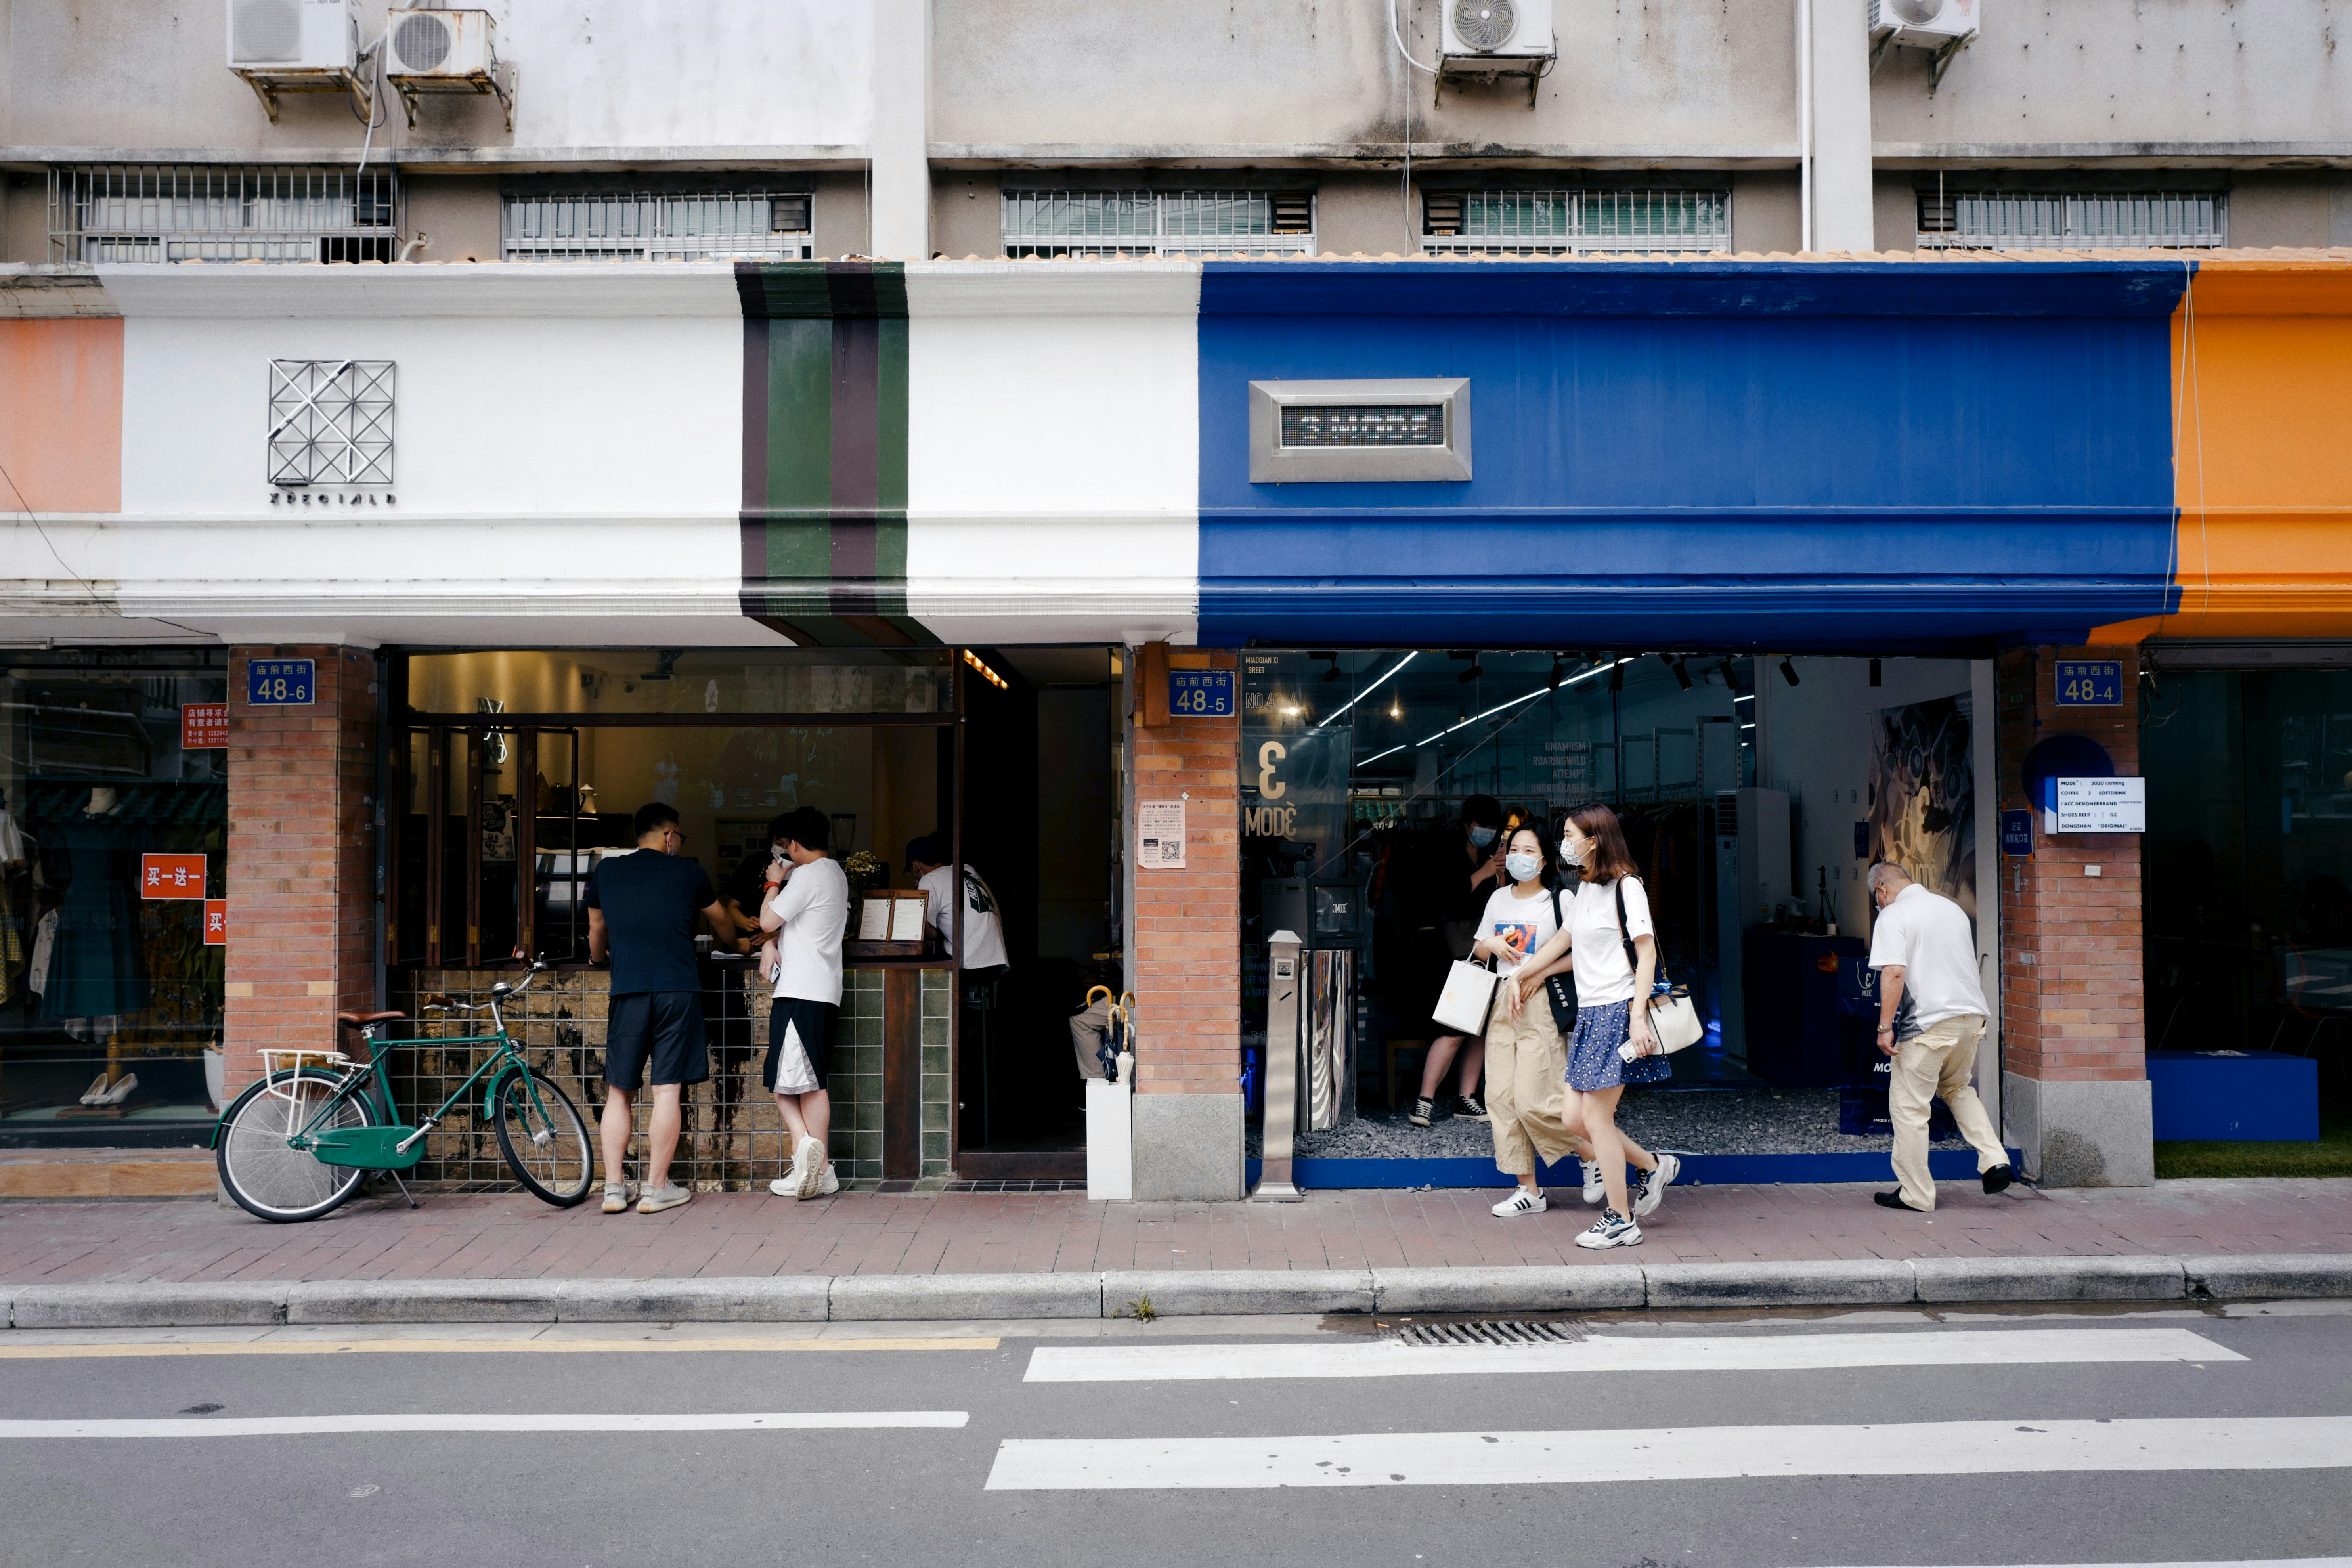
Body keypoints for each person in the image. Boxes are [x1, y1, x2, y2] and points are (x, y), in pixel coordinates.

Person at [1507, 802, 1679, 1248]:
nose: (1565, 843)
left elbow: (1646, 954)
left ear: (1594, 840)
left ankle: (1621, 1218)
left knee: (1598, 1118)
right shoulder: (1586, 887)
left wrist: (1638, 1014)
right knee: (1573, 1118)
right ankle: (1653, 1165)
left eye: (1570, 834)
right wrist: (1523, 972)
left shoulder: (1629, 887)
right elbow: (1565, 939)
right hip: (1590, 1013)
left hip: (1618, 1010)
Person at [585, 802, 737, 1215]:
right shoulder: (688, 872)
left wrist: (599, 960)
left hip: (628, 989)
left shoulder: (607, 871)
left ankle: (614, 1188)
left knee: (620, 1089)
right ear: (670, 836)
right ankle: (655, 1189)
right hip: (677, 990)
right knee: (667, 1089)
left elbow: (596, 930)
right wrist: (735, 944)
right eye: (680, 837)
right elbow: (722, 920)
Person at [1864, 861, 2013, 1212]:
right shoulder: (1952, 909)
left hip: (1929, 1024)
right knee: (1957, 1089)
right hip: (1971, 1017)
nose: (1879, 905)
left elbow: (1895, 972)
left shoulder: (1893, 916)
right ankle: (1995, 1160)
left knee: (1910, 1108)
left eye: (1877, 899)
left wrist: (1885, 1027)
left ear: (1882, 890)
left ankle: (1916, 1195)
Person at [1469, 824, 1598, 1218]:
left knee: (1535, 1099)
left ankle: (1592, 1153)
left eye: (1529, 849)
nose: (1518, 856)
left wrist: (1538, 974)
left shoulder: (1561, 900)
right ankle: (1529, 1190)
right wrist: (1488, 944)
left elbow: (1583, 953)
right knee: (1500, 1098)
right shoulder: (1497, 899)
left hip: (1539, 1002)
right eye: (1513, 848)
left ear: (1544, 859)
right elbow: (1477, 950)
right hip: (1502, 1001)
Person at [759, 806, 849, 1200]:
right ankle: (817, 1170)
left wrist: (773, 883)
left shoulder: (806, 875)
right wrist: (773, 944)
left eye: (785, 844)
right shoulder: (834, 872)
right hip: (825, 988)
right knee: (813, 1082)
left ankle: (807, 1153)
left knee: (783, 1082)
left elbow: (767, 920)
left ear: (794, 843)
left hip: (799, 990)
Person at [1405, 795, 1508, 1127]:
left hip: (1487, 949)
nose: (1488, 833)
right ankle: (1425, 1101)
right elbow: (1445, 899)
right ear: (1467, 824)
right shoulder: (1445, 853)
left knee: (1478, 1028)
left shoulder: (1493, 856)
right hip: (1450, 952)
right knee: (1454, 1028)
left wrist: (1500, 873)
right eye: (1482, 826)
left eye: (1493, 827)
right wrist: (1485, 872)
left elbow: (1501, 900)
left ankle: (1467, 1098)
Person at [908, 836, 1010, 979]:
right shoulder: (967, 870)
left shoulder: (929, 880)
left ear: (915, 867)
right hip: (996, 961)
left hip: (970, 965)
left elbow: (922, 930)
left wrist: (917, 897)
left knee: (918, 968)